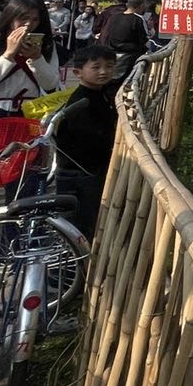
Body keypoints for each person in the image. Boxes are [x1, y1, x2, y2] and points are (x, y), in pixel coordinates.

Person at [0, 0, 59, 215]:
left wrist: (36, 58)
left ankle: (15, 233)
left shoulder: (46, 45)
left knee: (22, 187)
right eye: (22, 18)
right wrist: (8, 54)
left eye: (35, 20)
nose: (28, 25)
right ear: (9, 17)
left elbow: (51, 83)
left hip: (26, 117)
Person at [51, 45, 119, 241]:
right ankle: (72, 260)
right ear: (77, 72)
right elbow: (95, 137)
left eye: (109, 66)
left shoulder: (102, 94)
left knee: (87, 223)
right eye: (96, 67)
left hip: (89, 171)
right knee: (77, 228)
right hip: (77, 174)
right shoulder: (81, 102)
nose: (104, 72)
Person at [100, 0, 151, 80]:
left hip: (111, 52)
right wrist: (150, 29)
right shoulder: (138, 19)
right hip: (129, 55)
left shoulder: (114, 17)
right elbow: (144, 39)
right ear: (142, 6)